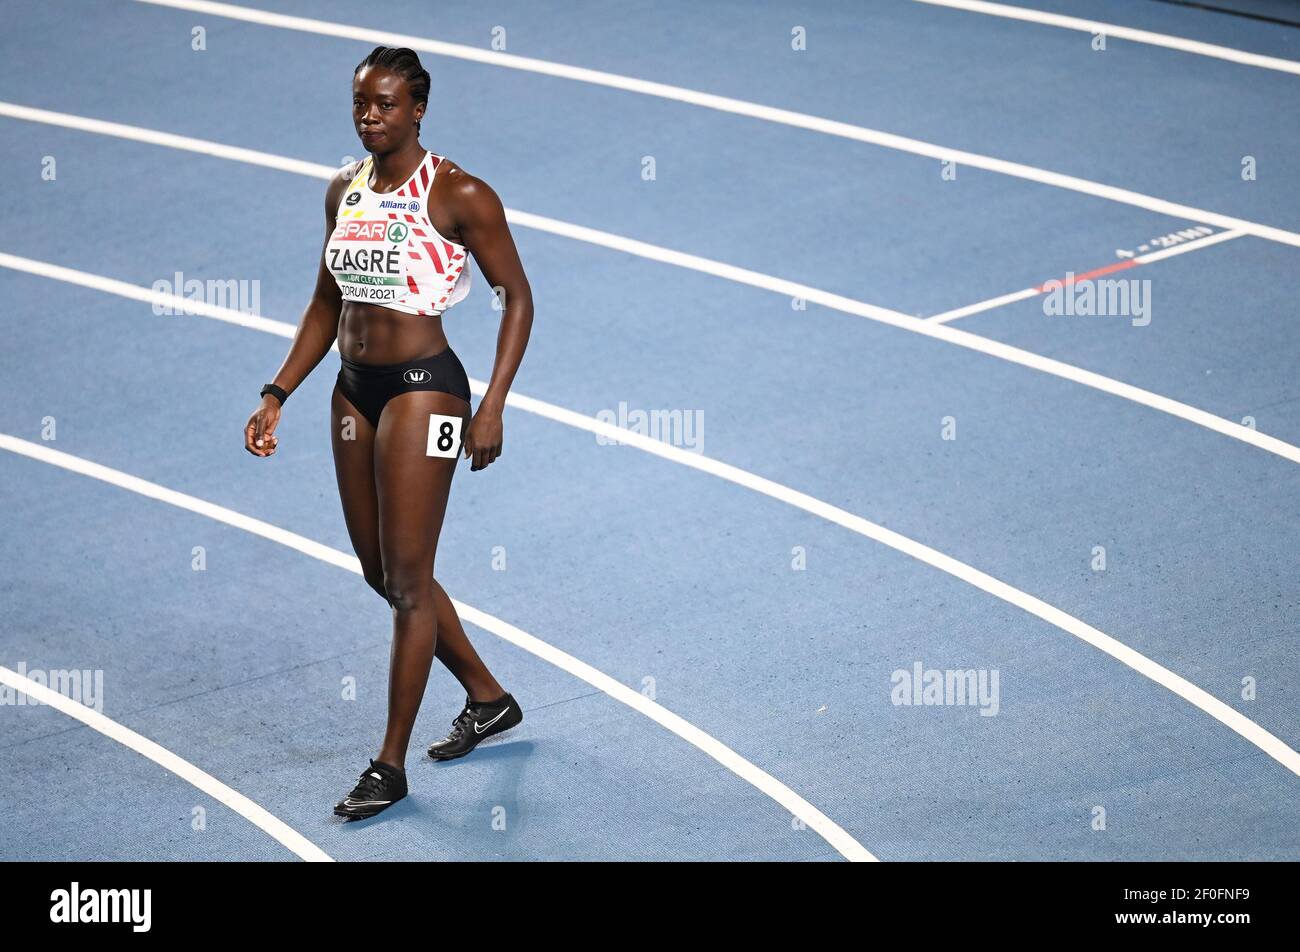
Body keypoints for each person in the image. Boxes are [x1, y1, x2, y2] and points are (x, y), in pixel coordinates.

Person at [243, 45, 534, 820]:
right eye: (360, 104)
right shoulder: (345, 190)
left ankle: (389, 764)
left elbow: (518, 298)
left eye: (385, 104)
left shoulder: (460, 194)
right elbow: (322, 304)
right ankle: (488, 696)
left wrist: (494, 404)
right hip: (353, 388)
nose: (370, 116)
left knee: (410, 581)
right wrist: (277, 393)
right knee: (381, 572)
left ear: (418, 109)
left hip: (425, 392)